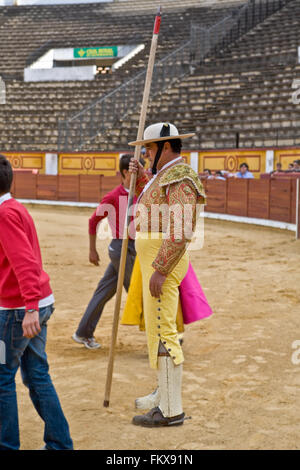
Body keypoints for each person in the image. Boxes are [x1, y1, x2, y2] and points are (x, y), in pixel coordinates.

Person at [128, 122, 206, 427]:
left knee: (164, 333)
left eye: (148, 148)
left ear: (165, 147)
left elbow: (181, 227)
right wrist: (140, 181)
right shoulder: (165, 176)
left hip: (163, 264)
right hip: (156, 261)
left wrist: (161, 268)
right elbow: (153, 206)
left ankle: (172, 409)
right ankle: (163, 393)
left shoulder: (182, 176)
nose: (146, 153)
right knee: (156, 330)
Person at [0, 155, 73, 450]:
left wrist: (30, 306)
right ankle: (59, 444)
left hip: (18, 311)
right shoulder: (14, 208)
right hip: (35, 304)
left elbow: (24, 261)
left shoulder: (3, 214)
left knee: (2, 377)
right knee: (36, 375)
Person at [72, 154, 138, 349]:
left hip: (132, 248)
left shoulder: (141, 192)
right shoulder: (113, 196)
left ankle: (83, 333)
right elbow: (93, 221)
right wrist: (92, 250)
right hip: (122, 248)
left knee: (103, 292)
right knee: (137, 292)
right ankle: (160, 337)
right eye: (136, 169)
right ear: (126, 172)